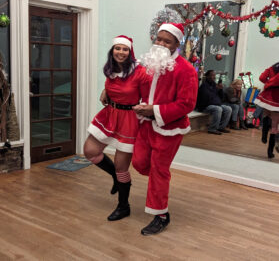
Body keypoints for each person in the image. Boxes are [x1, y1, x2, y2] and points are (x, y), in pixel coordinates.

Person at [132, 23, 198, 235]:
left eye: (166, 41)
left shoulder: (186, 70)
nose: (160, 43)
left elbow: (187, 104)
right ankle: (160, 182)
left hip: (169, 128)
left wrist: (155, 110)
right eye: (158, 39)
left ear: (177, 44)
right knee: (140, 162)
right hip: (145, 124)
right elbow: (134, 86)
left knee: (159, 170)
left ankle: (161, 214)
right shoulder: (149, 64)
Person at [83, 35, 150, 221]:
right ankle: (114, 177)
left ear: (130, 52)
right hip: (110, 115)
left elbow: (147, 97)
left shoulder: (140, 72)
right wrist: (105, 91)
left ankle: (123, 206)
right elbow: (112, 87)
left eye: (125, 49)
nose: (120, 52)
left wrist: (144, 109)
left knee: (122, 167)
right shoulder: (110, 70)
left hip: (129, 120)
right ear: (112, 51)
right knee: (90, 151)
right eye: (117, 48)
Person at [254, 62, 279, 158]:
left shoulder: (273, 67)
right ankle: (270, 152)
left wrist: (268, 84)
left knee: (267, 115)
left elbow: (262, 78)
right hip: (276, 97)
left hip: (268, 94)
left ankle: (264, 134)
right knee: (275, 125)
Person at [196, 70, 232, 135]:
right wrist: (216, 90)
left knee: (228, 109)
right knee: (218, 109)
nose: (214, 77)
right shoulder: (204, 86)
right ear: (207, 76)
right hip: (205, 106)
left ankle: (221, 127)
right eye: (212, 75)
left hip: (215, 104)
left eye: (214, 75)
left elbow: (221, 98)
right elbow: (207, 99)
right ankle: (212, 128)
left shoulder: (214, 85)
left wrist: (220, 90)